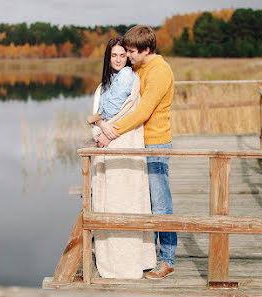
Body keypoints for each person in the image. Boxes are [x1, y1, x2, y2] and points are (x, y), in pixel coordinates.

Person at [96, 26, 177, 280]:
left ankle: (167, 259)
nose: (128, 55)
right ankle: (147, 255)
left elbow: (142, 112)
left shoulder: (160, 72)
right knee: (145, 202)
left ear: (145, 50)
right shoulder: (141, 68)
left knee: (160, 204)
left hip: (155, 144)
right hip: (140, 144)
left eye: (131, 51)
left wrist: (110, 132)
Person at [89, 37, 156, 279]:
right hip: (107, 154)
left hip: (125, 149)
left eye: (122, 55)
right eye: (113, 56)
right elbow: (97, 116)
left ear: (128, 57)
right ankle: (111, 259)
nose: (118, 59)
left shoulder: (130, 78)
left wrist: (105, 128)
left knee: (128, 201)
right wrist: (100, 125)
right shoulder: (103, 86)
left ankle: (134, 260)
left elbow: (130, 111)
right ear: (108, 58)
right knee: (110, 202)